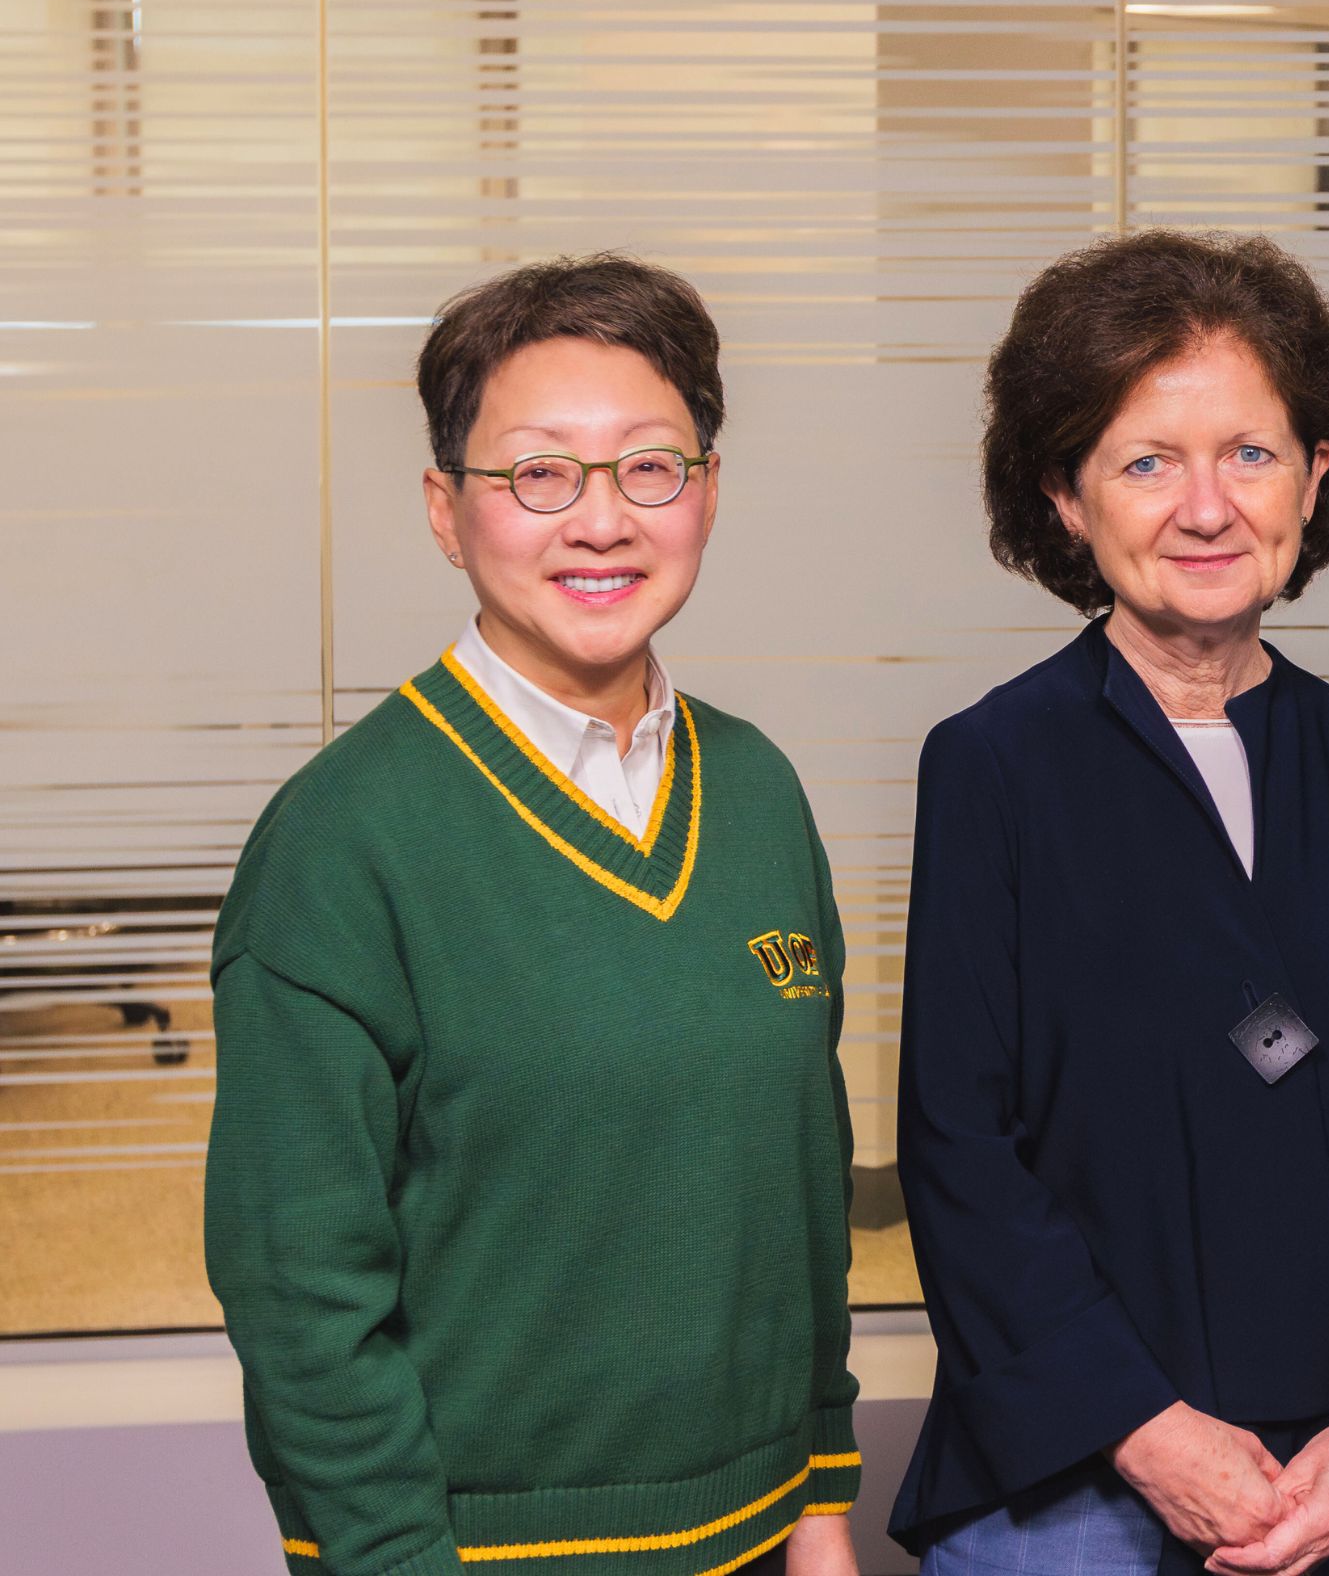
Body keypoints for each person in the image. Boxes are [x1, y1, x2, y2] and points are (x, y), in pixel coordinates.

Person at [203, 255, 861, 1576]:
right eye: (538, 473)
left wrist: (822, 1507)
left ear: (710, 493)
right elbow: (300, 1292)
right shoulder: (342, 843)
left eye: (650, 467)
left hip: (761, 1540)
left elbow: (795, 1193)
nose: (601, 521)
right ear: (449, 511)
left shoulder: (757, 789)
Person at [890, 232, 1329, 1576]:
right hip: (1074, 1475)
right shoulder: (993, 765)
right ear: (1065, 495)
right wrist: (1146, 1428)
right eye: (1146, 461)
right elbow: (955, 1144)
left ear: (1318, 472)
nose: (1207, 506)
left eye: (1252, 452)